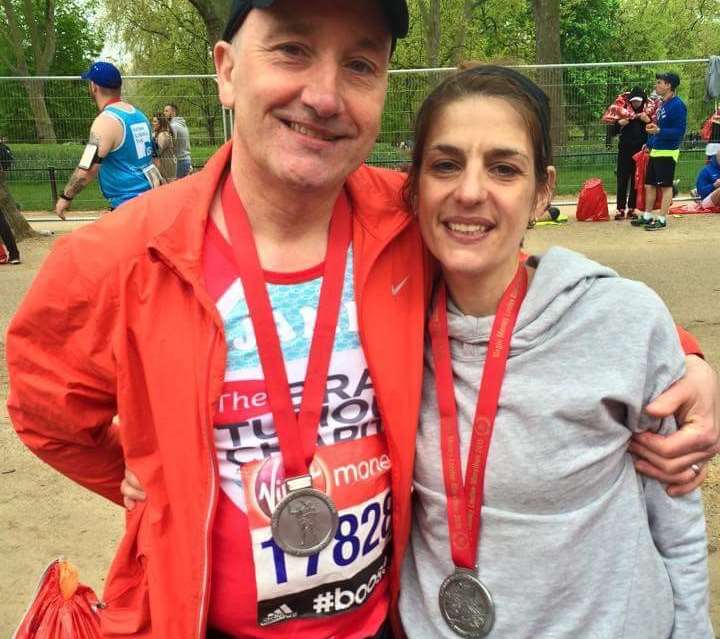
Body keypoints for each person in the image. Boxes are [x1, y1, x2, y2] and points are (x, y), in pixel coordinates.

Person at [6, 3, 719, 637]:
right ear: (226, 71)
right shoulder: (120, 252)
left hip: (384, 619)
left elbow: (525, 282)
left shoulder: (408, 217)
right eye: (290, 49)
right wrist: (151, 478)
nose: (323, 95)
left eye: (360, 64)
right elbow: (44, 406)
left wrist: (686, 360)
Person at [398, 64, 713, 639]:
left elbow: (676, 516)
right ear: (413, 182)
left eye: (503, 168)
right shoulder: (386, 322)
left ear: (543, 190)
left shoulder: (623, 318)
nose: (470, 191)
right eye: (445, 165)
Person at [54, 61, 160, 219]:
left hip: (129, 208)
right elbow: (155, 157)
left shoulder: (105, 122)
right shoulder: (139, 115)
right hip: (151, 200)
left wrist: (66, 197)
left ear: (93, 86)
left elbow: (87, 170)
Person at [631, 72, 687, 231]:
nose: (656, 85)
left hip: (667, 152)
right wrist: (649, 143)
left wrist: (659, 131)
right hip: (656, 150)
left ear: (669, 85)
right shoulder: (662, 104)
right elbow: (656, 128)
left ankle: (662, 219)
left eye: (659, 82)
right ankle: (648, 216)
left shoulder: (678, 105)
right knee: (649, 185)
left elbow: (679, 131)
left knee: (666, 186)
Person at [611, 86, 649, 220]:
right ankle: (620, 209)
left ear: (643, 101)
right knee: (622, 179)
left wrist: (647, 121)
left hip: (640, 152)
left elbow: (654, 129)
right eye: (633, 101)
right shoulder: (623, 112)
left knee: (635, 180)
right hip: (624, 151)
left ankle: (632, 208)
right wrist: (620, 124)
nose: (635, 103)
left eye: (638, 101)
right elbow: (611, 130)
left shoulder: (647, 113)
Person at [163, 102, 192, 178]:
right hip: (186, 160)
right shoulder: (181, 123)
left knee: (177, 187)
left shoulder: (173, 126)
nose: (164, 113)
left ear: (173, 113)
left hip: (180, 161)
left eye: (166, 111)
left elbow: (169, 144)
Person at [151, 113, 177, 183]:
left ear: (160, 123)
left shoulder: (163, 135)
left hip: (167, 164)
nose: (152, 123)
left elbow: (158, 152)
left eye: (155, 121)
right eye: (153, 121)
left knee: (169, 186)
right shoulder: (160, 133)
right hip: (165, 163)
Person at [695, 142, 720, 208]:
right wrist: (714, 185)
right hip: (707, 200)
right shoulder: (706, 170)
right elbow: (701, 192)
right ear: (716, 156)